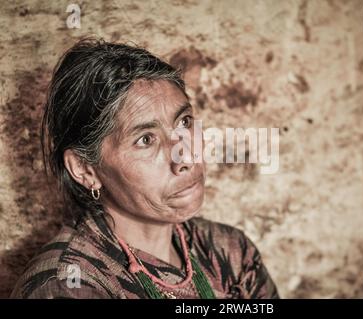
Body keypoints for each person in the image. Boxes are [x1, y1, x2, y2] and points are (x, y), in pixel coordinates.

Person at [10, 38, 279, 299]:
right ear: (84, 169)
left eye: (184, 122)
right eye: (146, 140)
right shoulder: (67, 284)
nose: (185, 157)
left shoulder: (230, 251)